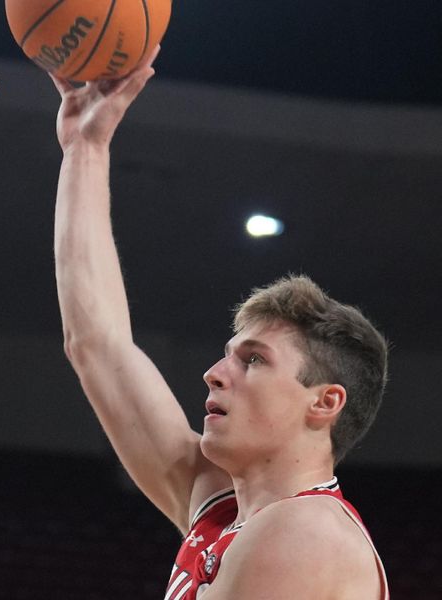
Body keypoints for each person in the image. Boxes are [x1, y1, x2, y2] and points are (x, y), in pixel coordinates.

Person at [50, 49, 390, 599]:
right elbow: (97, 344)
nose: (213, 374)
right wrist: (85, 149)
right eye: (229, 355)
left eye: (253, 360)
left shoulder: (304, 534)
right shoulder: (225, 508)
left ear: (324, 402)